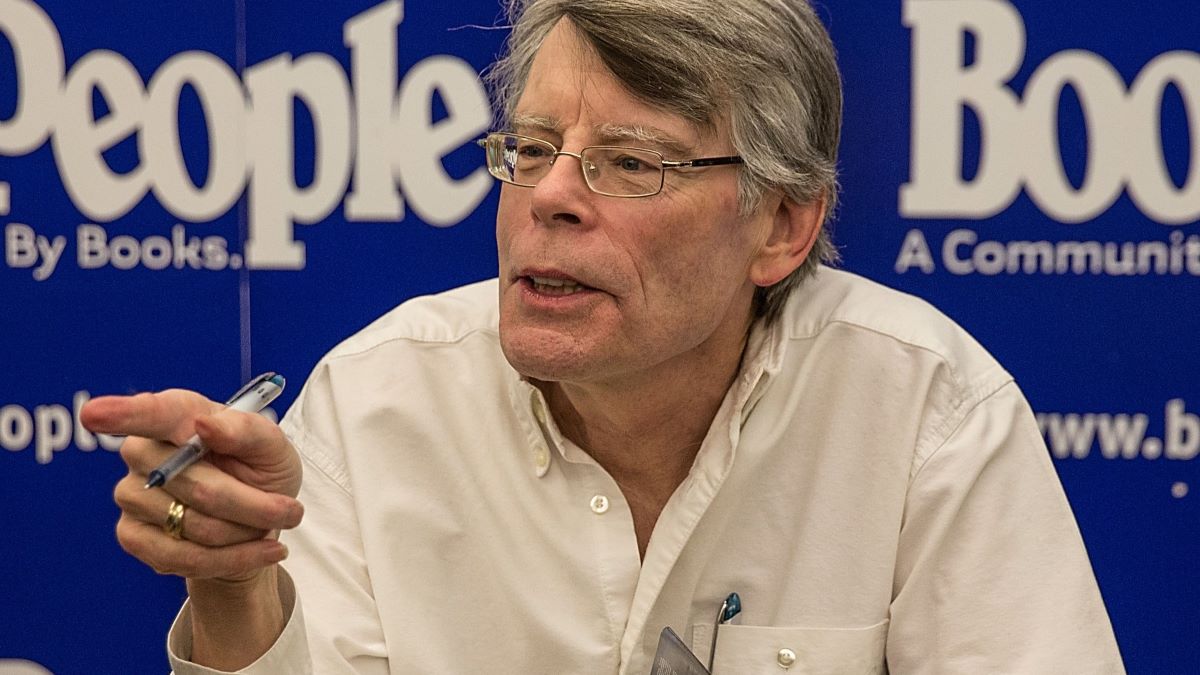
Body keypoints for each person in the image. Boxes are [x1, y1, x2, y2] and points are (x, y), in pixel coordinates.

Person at [82, 0, 1125, 672]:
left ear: (782, 225)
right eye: (532, 149)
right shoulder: (375, 401)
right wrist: (235, 584)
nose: (552, 198)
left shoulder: (923, 410)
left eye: (632, 163)